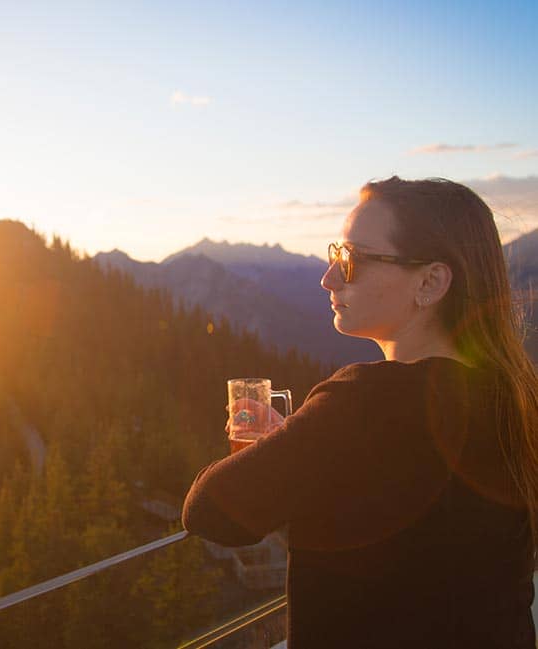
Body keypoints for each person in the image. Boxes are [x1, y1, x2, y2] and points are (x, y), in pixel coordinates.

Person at [181, 176, 538, 648]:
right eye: (334, 254)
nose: (328, 276)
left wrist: (288, 445)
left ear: (430, 282)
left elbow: (208, 511)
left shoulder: (362, 401)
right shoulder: (514, 393)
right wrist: (302, 443)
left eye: (351, 260)